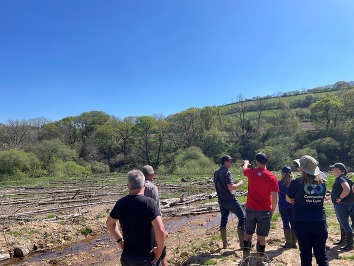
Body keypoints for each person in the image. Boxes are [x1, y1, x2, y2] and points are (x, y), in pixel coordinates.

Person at [106, 170, 168, 266]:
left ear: (128, 186)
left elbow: (110, 223)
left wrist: (120, 241)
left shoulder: (120, 203)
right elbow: (160, 231)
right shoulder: (149, 204)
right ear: (144, 185)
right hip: (146, 258)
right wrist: (159, 251)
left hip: (127, 257)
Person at [286, 155, 328, 266]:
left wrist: (298, 201)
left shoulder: (296, 182)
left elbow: (288, 198)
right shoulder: (323, 183)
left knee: (305, 255)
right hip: (319, 221)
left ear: (302, 168)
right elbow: (322, 199)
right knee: (321, 255)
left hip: (301, 221)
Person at [242, 153, 279, 266]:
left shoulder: (251, 172)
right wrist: (272, 211)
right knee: (261, 237)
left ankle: (245, 260)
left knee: (248, 234)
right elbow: (274, 198)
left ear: (257, 162)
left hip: (251, 209)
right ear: (266, 162)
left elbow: (244, 169)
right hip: (264, 210)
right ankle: (259, 261)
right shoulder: (272, 177)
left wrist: (246, 163)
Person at [213, 155, 245, 249]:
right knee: (242, 217)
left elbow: (215, 185)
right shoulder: (227, 172)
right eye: (230, 161)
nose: (232, 163)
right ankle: (243, 244)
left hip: (221, 200)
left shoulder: (216, 172)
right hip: (230, 200)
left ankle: (224, 244)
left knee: (224, 219)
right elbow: (230, 187)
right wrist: (240, 183)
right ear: (225, 162)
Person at [142, 165, 168, 266]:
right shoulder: (152, 188)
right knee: (160, 252)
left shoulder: (136, 186)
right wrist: (162, 226)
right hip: (153, 223)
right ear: (152, 175)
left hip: (140, 224)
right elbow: (156, 208)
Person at [330, 162, 354, 250]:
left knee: (344, 223)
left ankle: (350, 245)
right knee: (343, 223)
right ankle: (343, 240)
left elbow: (347, 189)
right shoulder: (347, 178)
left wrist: (340, 198)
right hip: (349, 203)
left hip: (342, 204)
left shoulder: (341, 179)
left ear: (339, 169)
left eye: (334, 168)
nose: (332, 169)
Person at [278, 165, 297, 249]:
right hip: (294, 205)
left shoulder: (279, 183)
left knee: (286, 223)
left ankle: (288, 242)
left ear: (283, 173)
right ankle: (294, 243)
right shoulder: (295, 182)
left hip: (283, 205)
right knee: (294, 223)